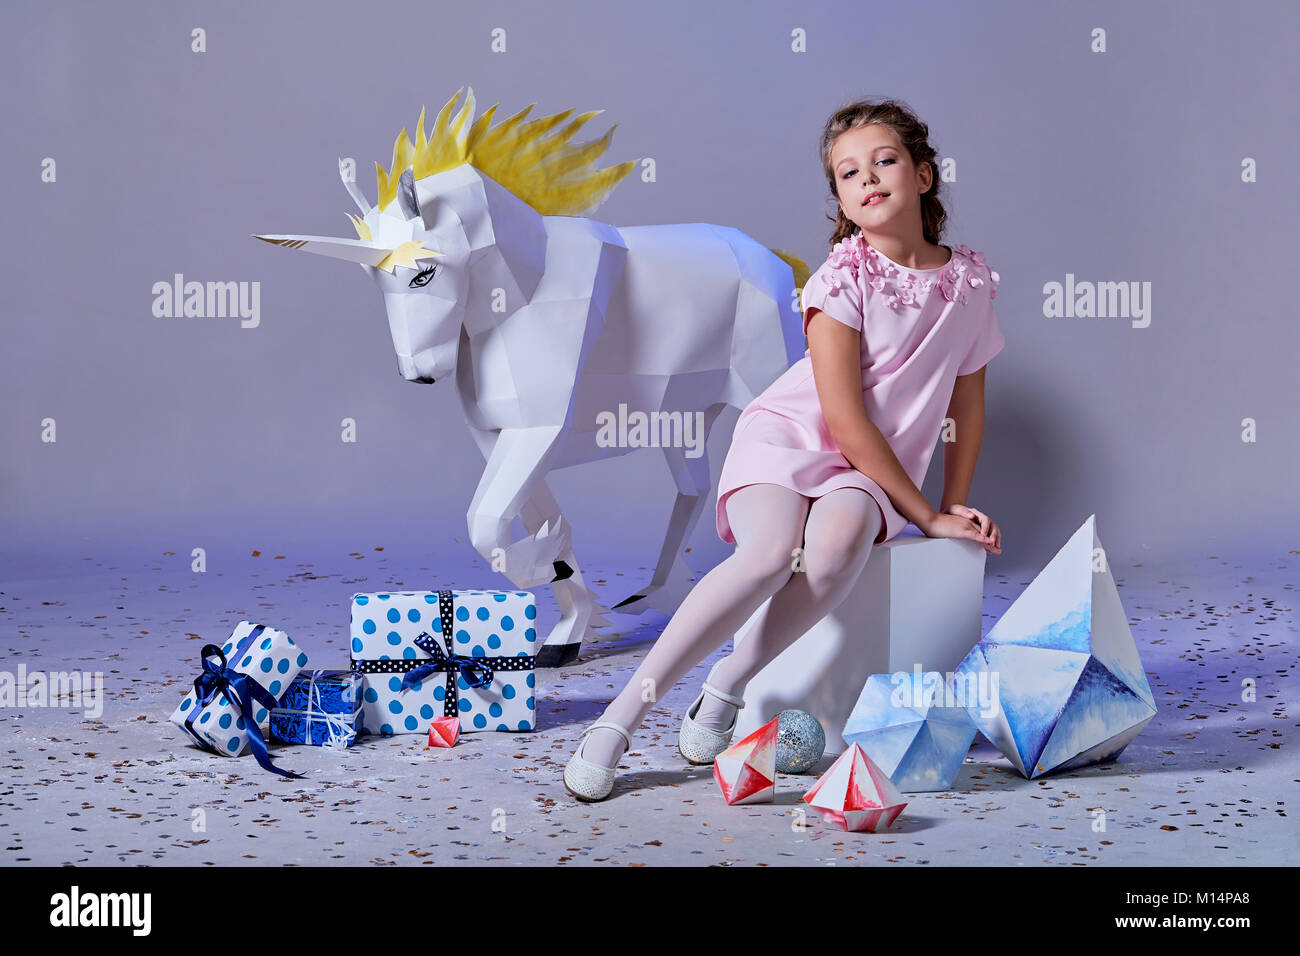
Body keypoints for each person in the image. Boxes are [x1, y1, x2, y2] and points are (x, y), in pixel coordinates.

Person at [563, 97, 1006, 801]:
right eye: (848, 173)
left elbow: (968, 405)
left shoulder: (971, 283)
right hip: (794, 437)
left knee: (836, 549)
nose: (868, 178)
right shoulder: (841, 279)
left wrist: (952, 504)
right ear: (840, 200)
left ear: (924, 175)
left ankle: (727, 684)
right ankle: (620, 720)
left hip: (866, 472)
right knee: (769, 554)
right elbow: (846, 420)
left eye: (885, 160)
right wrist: (927, 516)